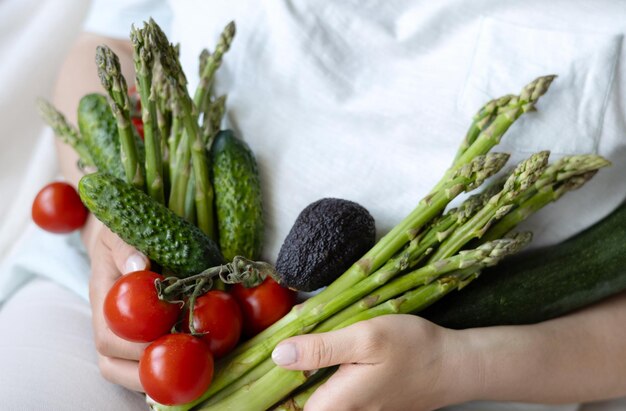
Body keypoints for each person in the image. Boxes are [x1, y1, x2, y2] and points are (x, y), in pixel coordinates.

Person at [2, 1, 626, 410]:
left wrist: (458, 367)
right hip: (121, 309)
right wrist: (104, 238)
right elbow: (107, 47)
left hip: (440, 381)